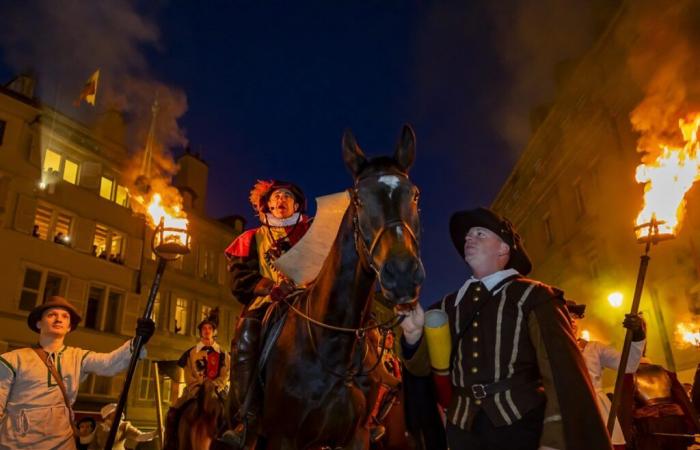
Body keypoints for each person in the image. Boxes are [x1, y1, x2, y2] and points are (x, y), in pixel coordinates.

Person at [398, 207, 611, 450]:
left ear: (504, 248)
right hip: (462, 432)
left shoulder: (535, 297)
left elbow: (561, 376)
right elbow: (425, 370)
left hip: (521, 428)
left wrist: (554, 442)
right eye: (468, 235)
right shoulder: (446, 307)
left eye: (480, 234)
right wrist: (413, 335)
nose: (469, 238)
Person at [221, 180, 312, 448]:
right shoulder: (251, 238)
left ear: (296, 205)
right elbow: (239, 279)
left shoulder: (313, 233)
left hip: (307, 301)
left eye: (288, 196)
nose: (282, 200)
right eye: (277, 196)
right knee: (248, 328)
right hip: (267, 303)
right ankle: (246, 415)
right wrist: (270, 288)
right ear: (268, 204)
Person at [0, 296, 155, 449]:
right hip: (18, 443)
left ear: (69, 327)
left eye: (64, 316)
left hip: (61, 442)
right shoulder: (13, 359)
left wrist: (138, 341)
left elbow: (109, 363)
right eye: (51, 315)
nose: (58, 319)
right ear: (39, 323)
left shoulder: (78, 357)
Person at [566, 301, 645, 449]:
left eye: (575, 316)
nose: (572, 319)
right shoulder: (546, 352)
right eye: (566, 315)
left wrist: (638, 334)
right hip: (568, 413)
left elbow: (628, 365)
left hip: (599, 412)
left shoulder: (595, 348)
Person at [163, 308, 230, 449]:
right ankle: (169, 443)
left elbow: (225, 374)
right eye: (204, 328)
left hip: (217, 391)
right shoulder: (191, 353)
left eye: (210, 328)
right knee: (172, 413)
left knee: (235, 415)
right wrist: (199, 387)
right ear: (200, 332)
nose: (207, 331)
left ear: (214, 331)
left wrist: (214, 386)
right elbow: (189, 374)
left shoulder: (223, 354)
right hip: (195, 390)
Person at [91, 403, 156, 450]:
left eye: (119, 411)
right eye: (115, 412)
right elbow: (93, 445)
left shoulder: (124, 426)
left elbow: (140, 436)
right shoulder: (100, 427)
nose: (120, 413)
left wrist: (155, 433)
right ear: (109, 415)